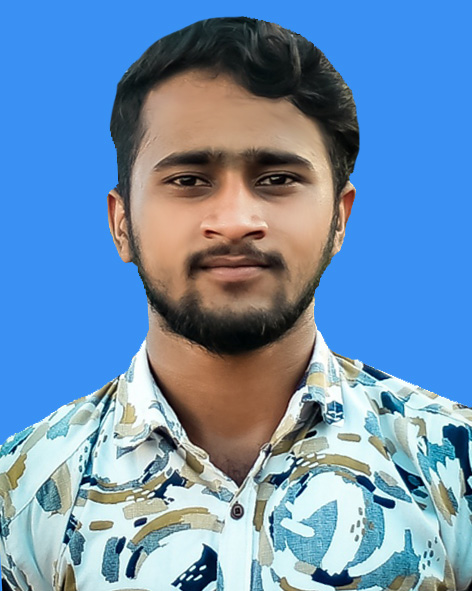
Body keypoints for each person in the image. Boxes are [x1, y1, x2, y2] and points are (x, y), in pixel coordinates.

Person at [1, 16, 471, 591]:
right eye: (189, 180)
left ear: (339, 219)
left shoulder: (455, 463)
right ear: (121, 224)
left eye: (276, 178)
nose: (235, 221)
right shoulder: (22, 491)